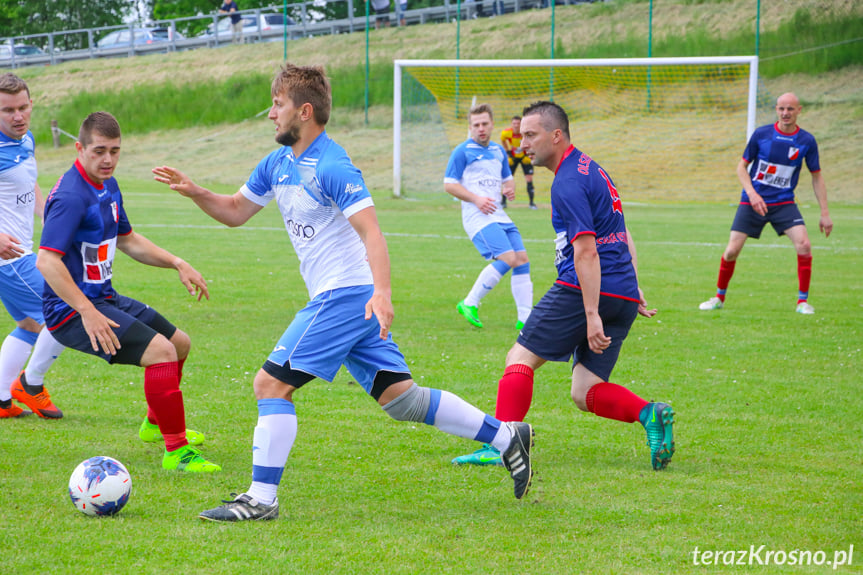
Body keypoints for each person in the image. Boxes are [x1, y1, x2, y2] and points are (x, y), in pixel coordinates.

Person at [152, 64, 534, 522]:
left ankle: (261, 498)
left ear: (304, 111)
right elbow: (236, 212)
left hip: (347, 295)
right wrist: (195, 191)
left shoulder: (332, 165)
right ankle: (507, 437)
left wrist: (383, 293)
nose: (271, 114)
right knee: (402, 399)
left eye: (278, 104)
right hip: (351, 298)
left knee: (270, 384)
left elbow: (372, 232)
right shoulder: (277, 162)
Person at [451, 101, 676, 471]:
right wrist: (632, 288)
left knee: (518, 359)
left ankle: (502, 445)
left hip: (583, 289)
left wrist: (591, 315)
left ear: (556, 135)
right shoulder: (595, 170)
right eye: (521, 134)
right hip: (619, 291)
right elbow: (623, 232)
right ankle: (650, 414)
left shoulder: (568, 181)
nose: (523, 143)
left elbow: (586, 252)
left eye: (530, 134)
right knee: (584, 390)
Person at [36, 111, 218, 473]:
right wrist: (87, 312)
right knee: (162, 352)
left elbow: (128, 240)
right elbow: (46, 261)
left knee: (179, 343)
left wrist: (177, 262)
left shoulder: (108, 186)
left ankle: (155, 425)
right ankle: (177, 451)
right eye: (99, 150)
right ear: (79, 148)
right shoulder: (72, 196)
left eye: (115, 151)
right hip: (71, 312)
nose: (108, 159)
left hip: (104, 298)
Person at [699, 92, 832, 315]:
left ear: (799, 110)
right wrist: (752, 194)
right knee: (731, 250)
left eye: (790, 109)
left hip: (784, 202)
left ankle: (802, 302)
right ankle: (718, 297)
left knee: (804, 245)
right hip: (753, 201)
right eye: (781, 108)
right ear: (776, 110)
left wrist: (825, 213)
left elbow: (816, 175)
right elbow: (741, 167)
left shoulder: (806, 141)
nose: (785, 113)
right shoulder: (762, 134)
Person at [0, 73, 66, 419]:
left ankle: (1, 401)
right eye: (8, 110)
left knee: (28, 324)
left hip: (22, 252)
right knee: (66, 313)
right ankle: (30, 384)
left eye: (23, 107)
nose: (18, 116)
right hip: (11, 259)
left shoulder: (25, 141)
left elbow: (30, 182)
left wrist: (47, 218)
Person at [444, 103, 533, 331]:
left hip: (499, 215)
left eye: (484, 124)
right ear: (470, 127)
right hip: (478, 217)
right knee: (508, 258)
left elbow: (507, 178)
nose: (481, 128)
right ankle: (469, 302)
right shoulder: (462, 151)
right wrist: (476, 199)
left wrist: (510, 188)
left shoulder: (497, 151)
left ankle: (526, 319)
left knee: (522, 260)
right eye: (476, 125)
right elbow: (449, 185)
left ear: (492, 124)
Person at [500, 115, 537, 209]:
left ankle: (532, 203)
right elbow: (503, 140)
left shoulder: (526, 133)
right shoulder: (506, 133)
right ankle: (503, 202)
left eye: (518, 123)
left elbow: (533, 142)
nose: (516, 125)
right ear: (511, 124)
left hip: (524, 157)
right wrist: (508, 153)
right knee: (507, 178)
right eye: (514, 123)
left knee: (529, 179)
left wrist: (529, 155)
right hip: (513, 157)